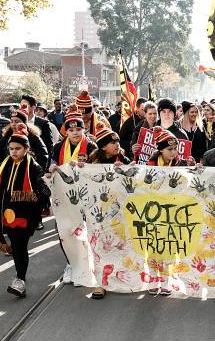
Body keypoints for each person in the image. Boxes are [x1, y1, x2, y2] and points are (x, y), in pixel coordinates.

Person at [0, 125, 50, 297]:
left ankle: (20, 279)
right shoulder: (4, 165)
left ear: (27, 149)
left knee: (20, 246)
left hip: (27, 214)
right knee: (18, 246)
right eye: (11, 149)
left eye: (18, 149)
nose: (14, 152)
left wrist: (41, 193)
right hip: (8, 214)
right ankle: (20, 278)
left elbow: (43, 190)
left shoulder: (33, 167)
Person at [48, 105, 97, 284]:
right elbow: (49, 167)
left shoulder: (91, 146)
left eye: (78, 129)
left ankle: (88, 262)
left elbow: (97, 170)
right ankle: (70, 263)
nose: (75, 133)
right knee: (64, 231)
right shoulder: (57, 147)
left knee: (87, 230)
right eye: (71, 129)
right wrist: (51, 169)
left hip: (85, 196)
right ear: (66, 131)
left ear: (84, 129)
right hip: (64, 197)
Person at [88, 122, 131, 300]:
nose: (117, 146)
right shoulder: (92, 162)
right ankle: (100, 284)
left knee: (121, 244)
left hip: (119, 213)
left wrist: (130, 169)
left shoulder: (124, 160)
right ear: (104, 146)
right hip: (98, 214)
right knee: (100, 246)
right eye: (113, 143)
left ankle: (120, 278)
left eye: (118, 142)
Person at [21, 95, 53, 160]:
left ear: (33, 107)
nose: (22, 108)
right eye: (21, 105)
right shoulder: (19, 122)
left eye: (24, 105)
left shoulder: (44, 123)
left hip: (38, 163)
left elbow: (49, 146)